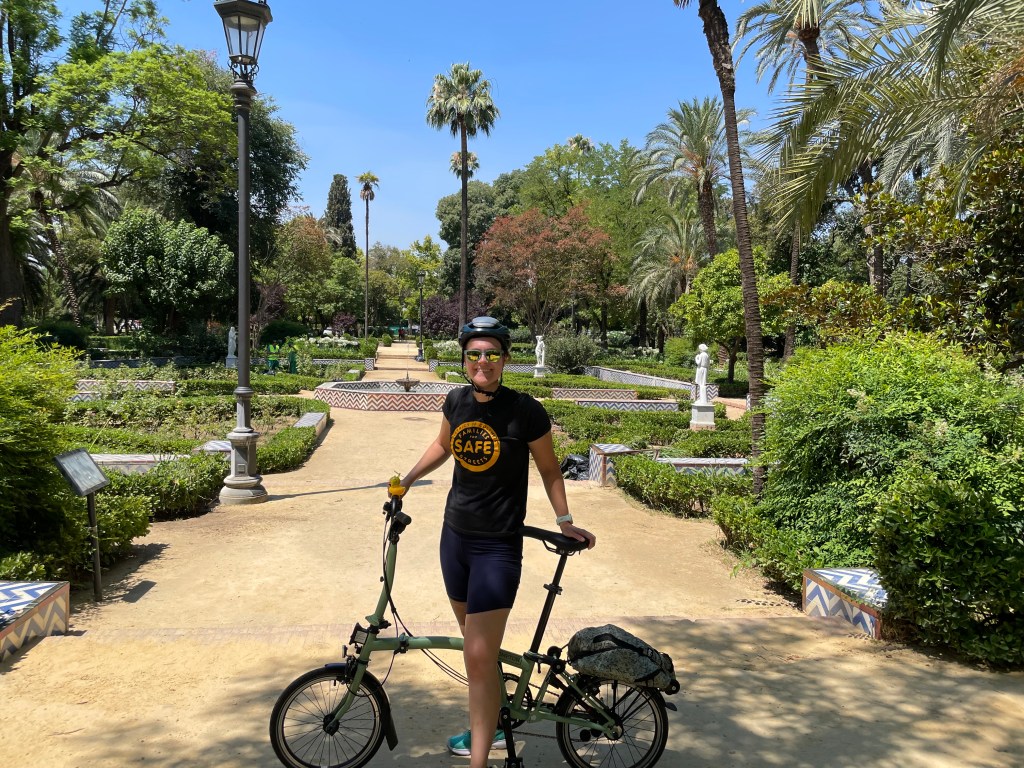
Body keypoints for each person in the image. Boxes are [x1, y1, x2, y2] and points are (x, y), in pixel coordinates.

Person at [393, 317, 596, 768]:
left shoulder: (526, 411)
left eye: (491, 354)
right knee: (477, 655)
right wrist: (405, 480)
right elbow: (444, 446)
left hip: (497, 549)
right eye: (473, 354)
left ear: (506, 359)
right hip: (455, 541)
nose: (482, 362)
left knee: (478, 655)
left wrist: (564, 521)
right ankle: (495, 724)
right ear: (464, 359)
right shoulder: (455, 401)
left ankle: (479, 762)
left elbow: (548, 469)